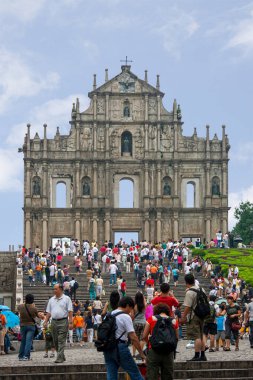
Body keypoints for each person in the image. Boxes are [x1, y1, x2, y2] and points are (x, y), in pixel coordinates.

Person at [103, 296, 146, 380]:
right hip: (120, 347)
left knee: (111, 375)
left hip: (107, 348)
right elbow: (133, 337)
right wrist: (141, 353)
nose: (130, 311)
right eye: (130, 308)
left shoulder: (108, 315)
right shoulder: (125, 317)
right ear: (127, 305)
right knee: (135, 373)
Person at [142, 303, 178, 380]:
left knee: (152, 374)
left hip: (154, 350)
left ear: (156, 310)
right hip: (168, 351)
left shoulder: (151, 319)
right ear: (167, 311)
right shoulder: (174, 321)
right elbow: (176, 338)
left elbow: (144, 336)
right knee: (168, 375)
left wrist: (149, 342)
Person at [44, 284, 73, 363]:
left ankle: (59, 358)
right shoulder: (51, 300)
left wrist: (70, 322)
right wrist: (45, 321)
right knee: (55, 340)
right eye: (54, 289)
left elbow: (70, 311)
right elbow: (48, 312)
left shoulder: (67, 299)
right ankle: (62, 356)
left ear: (60, 289)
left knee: (61, 340)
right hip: (53, 321)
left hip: (63, 321)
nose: (54, 290)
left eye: (56, 289)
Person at [181, 273, 207, 361]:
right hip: (203, 314)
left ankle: (196, 355)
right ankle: (203, 355)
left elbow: (188, 306)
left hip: (194, 315)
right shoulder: (201, 289)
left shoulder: (190, 292)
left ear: (186, 282)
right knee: (201, 334)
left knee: (196, 336)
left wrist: (183, 316)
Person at [18, 293, 43, 361]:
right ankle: (26, 356)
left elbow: (19, 310)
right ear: (32, 300)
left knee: (23, 341)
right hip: (31, 326)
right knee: (28, 341)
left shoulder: (20, 306)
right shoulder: (34, 308)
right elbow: (37, 316)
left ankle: (20, 356)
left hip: (23, 325)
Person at [132, 292, 146, 359]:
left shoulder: (134, 306)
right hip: (143, 323)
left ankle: (134, 354)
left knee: (135, 339)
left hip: (136, 323)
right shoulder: (144, 305)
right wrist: (143, 297)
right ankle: (140, 354)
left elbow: (132, 316)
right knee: (142, 339)